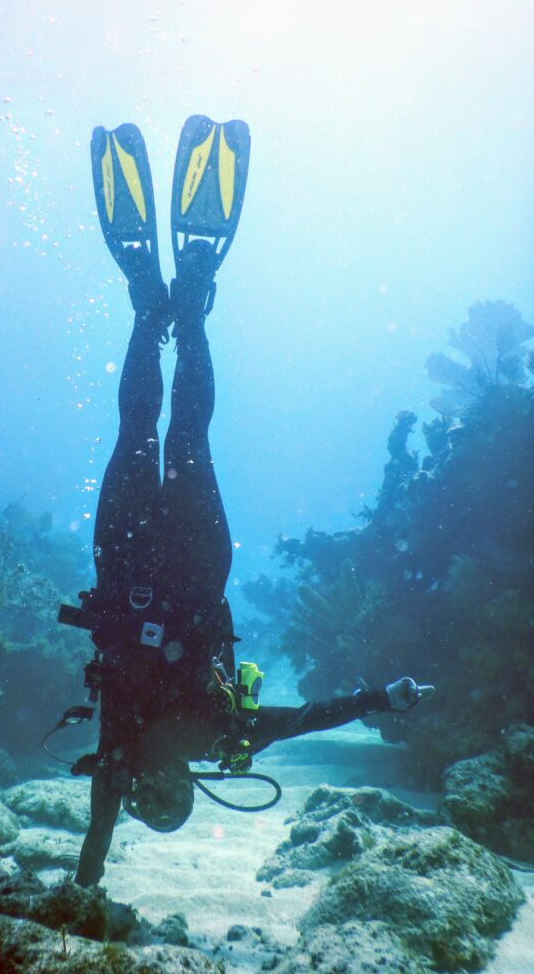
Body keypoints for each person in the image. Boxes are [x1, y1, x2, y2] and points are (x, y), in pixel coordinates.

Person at [57, 116, 434, 888]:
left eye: (134, 796)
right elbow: (305, 719)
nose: (132, 789)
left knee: (161, 432)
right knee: (168, 431)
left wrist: (85, 887)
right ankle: (172, 306)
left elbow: (96, 844)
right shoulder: (199, 737)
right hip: (177, 567)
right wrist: (383, 700)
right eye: (146, 797)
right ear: (164, 789)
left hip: (159, 563)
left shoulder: (145, 747)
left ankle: (162, 305)